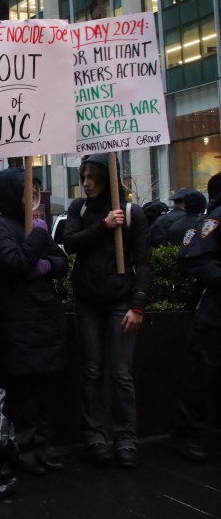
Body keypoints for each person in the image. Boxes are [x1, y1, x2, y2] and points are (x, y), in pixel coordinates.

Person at [57, 154, 151, 469]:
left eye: (92, 177)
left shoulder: (133, 213)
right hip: (87, 303)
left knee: (122, 373)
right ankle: (95, 436)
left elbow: (144, 262)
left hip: (120, 303)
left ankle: (126, 438)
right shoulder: (78, 209)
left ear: (107, 179)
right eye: (83, 177)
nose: (86, 183)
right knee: (92, 371)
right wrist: (104, 226)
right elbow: (69, 243)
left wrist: (138, 305)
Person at [0, 168, 69, 475]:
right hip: (19, 323)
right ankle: (23, 450)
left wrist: (42, 264)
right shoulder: (0, 230)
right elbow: (14, 264)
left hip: (46, 320)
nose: (29, 197)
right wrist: (37, 239)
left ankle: (43, 447)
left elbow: (61, 263)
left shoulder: (34, 227)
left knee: (46, 389)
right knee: (25, 394)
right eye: (24, 191)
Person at [173, 171, 221, 462]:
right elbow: (193, 256)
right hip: (215, 315)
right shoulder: (216, 217)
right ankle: (186, 434)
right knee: (202, 375)